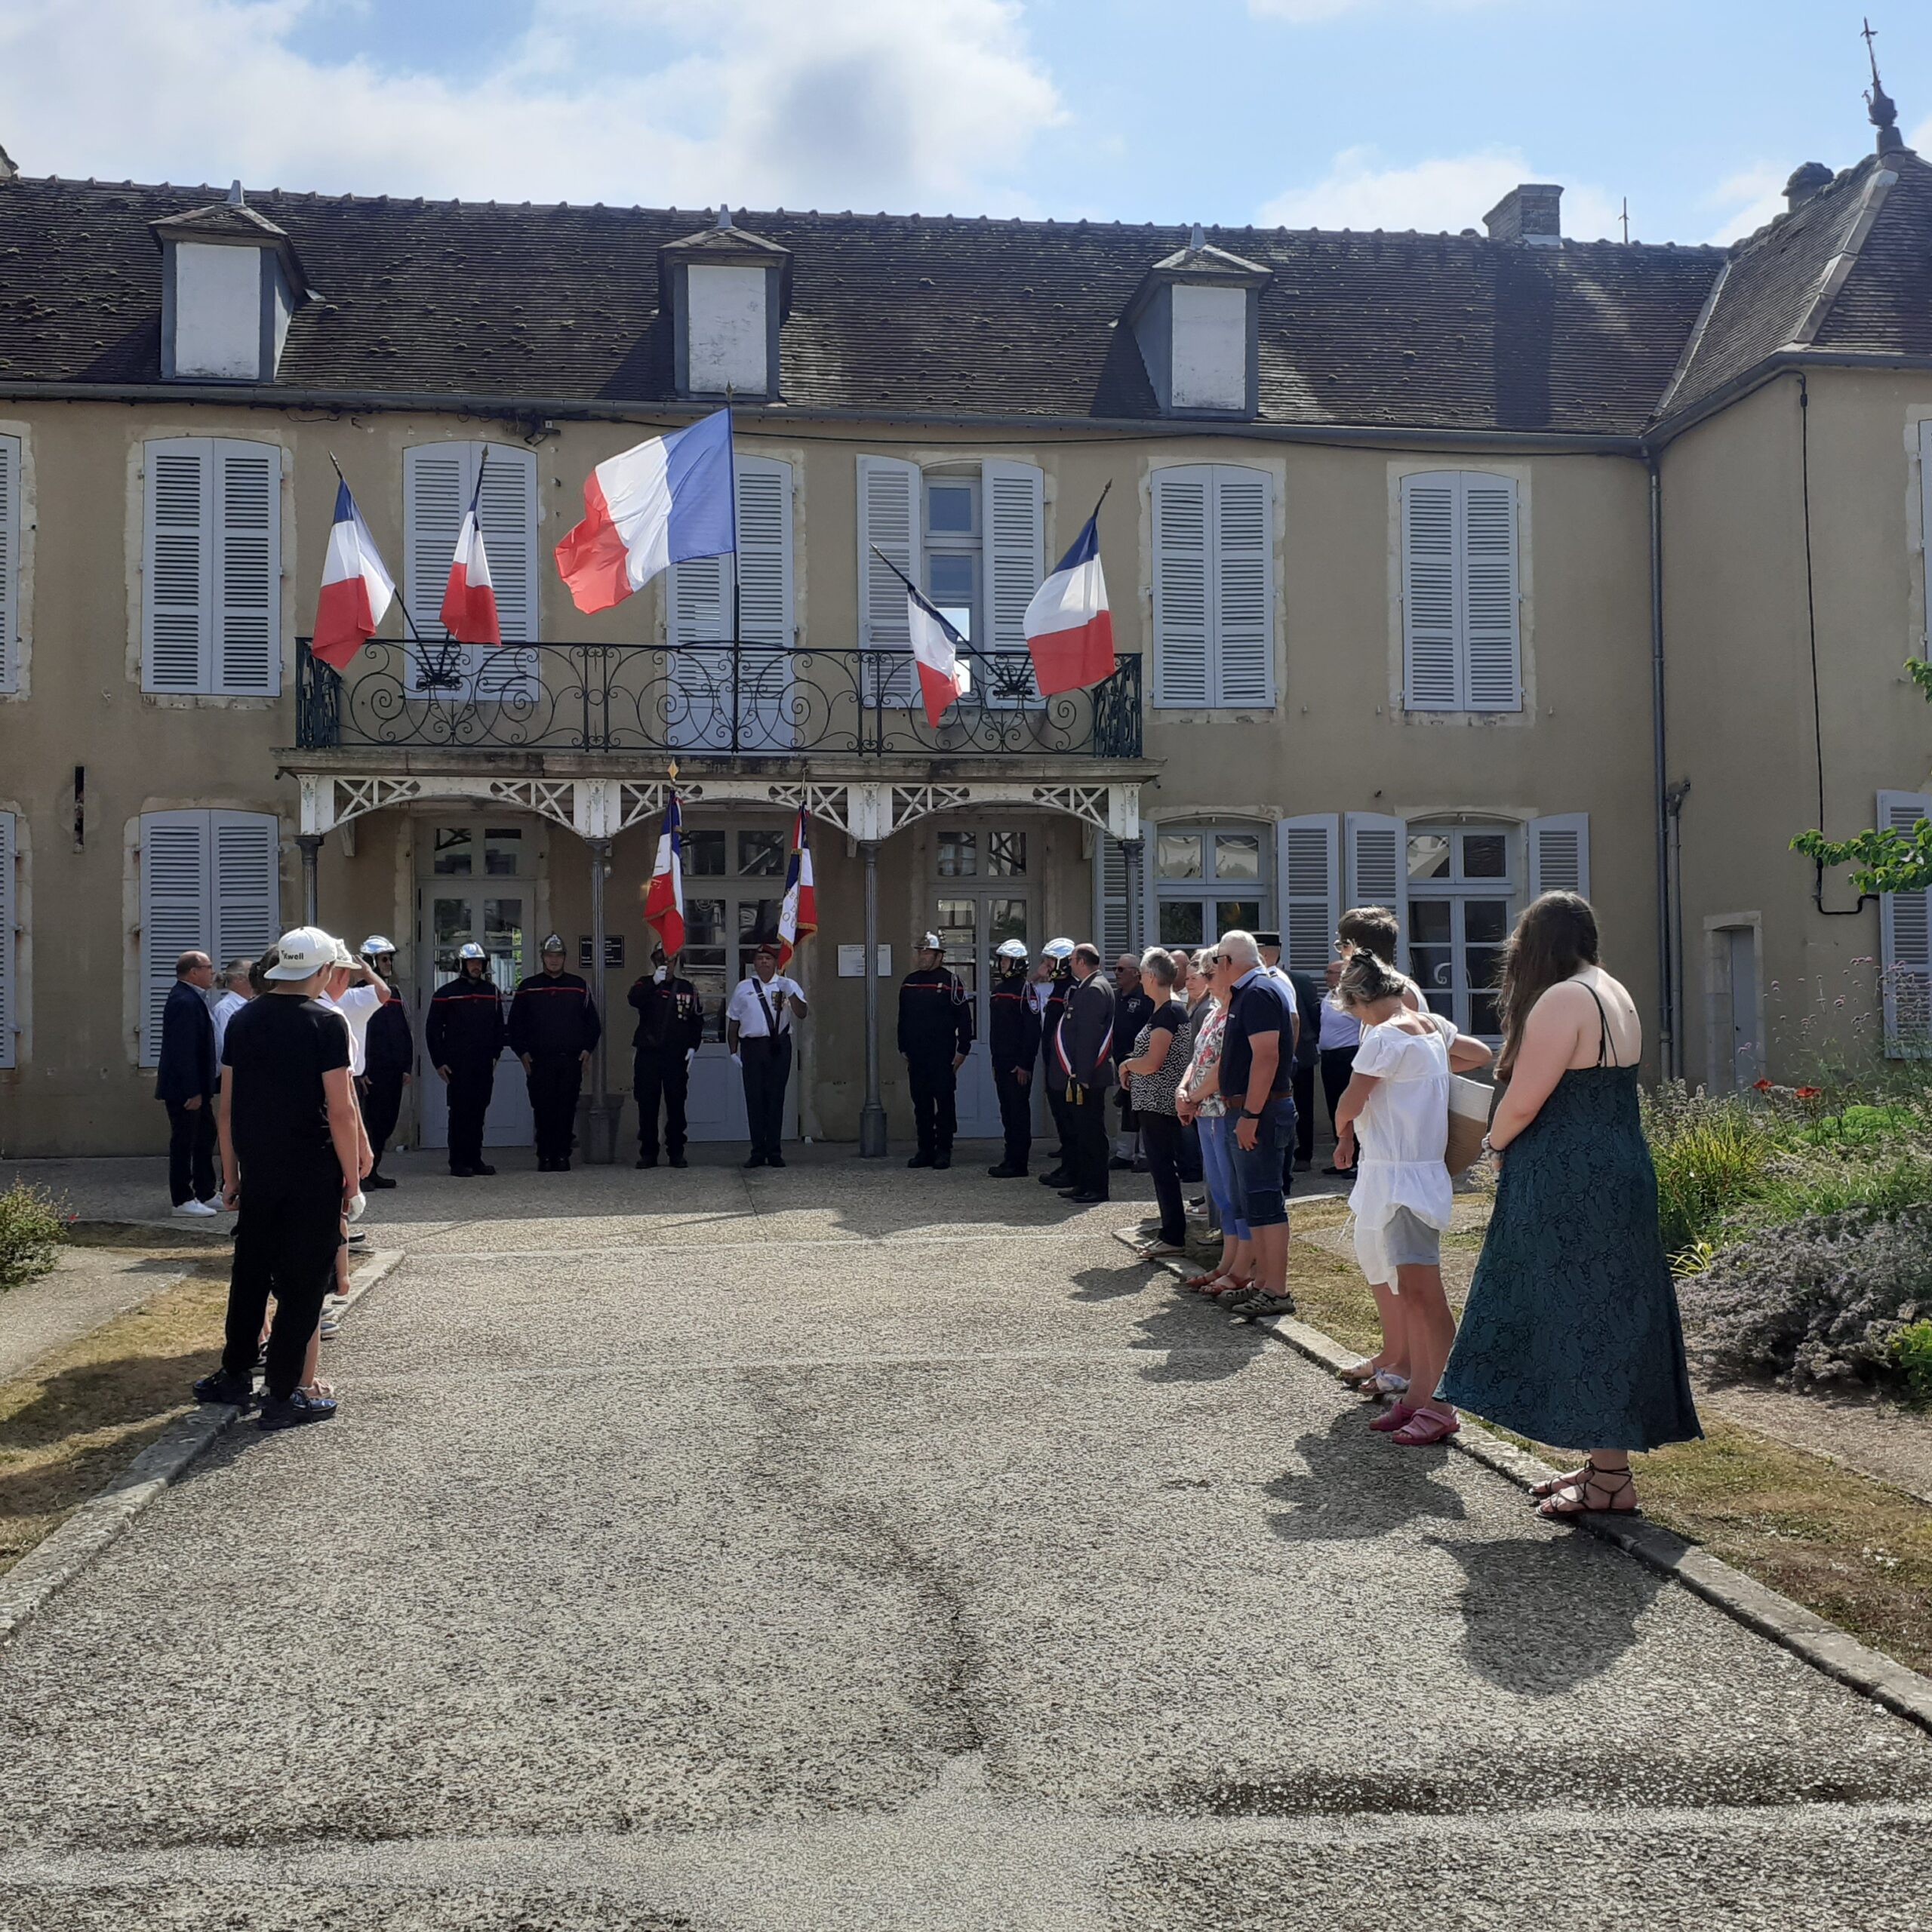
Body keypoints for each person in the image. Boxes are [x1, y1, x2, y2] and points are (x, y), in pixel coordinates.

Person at [1440, 892, 1702, 1517]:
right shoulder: (1612, 989)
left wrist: (1492, 1145)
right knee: (1605, 1310)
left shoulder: (1563, 998)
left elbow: (1524, 1100)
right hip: (1617, 1164)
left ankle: (1610, 1479)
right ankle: (1604, 1468)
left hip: (1569, 1175)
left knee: (1578, 1312)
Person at [191, 925, 364, 1431]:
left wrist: (230, 1175)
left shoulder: (242, 1019)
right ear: (323, 970)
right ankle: (283, 1394)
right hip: (311, 1167)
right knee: (303, 1284)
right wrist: (352, 1181)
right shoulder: (324, 1023)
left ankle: (234, 1373)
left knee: (250, 1273)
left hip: (259, 1166)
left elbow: (227, 1107)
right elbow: (340, 1110)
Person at [1331, 950, 1492, 1446]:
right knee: (1413, 1295)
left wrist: (1342, 1133)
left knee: (1423, 1295)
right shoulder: (1432, 1026)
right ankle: (1420, 1397)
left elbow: (1350, 1101)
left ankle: (1441, 1403)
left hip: (1399, 1176)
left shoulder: (1383, 1037)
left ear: (1359, 1001)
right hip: (1415, 1173)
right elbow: (1477, 1054)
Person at [1217, 931, 1297, 1320]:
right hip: (1250, 1110)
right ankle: (1263, 1282)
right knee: (1254, 1202)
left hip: (1261, 1112)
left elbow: (1266, 1057)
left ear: (1228, 961)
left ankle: (1276, 1289)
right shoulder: (1248, 993)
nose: (1215, 968)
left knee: (1266, 1199)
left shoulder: (1259, 993)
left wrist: (1250, 1115)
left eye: (1217, 961)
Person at [1321, 906, 1421, 1175]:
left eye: (1342, 946)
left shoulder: (1394, 993)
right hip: (1385, 1127)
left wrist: (1344, 1132)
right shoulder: (1385, 989)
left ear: (1354, 948)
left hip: (1398, 1130)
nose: (1341, 954)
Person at [1177, 949, 1253, 1297]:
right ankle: (1227, 1262)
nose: (1206, 982)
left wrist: (1192, 1096)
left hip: (1222, 1110)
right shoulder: (1212, 1015)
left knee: (1234, 1191)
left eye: (1209, 975)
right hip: (1205, 1111)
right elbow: (1197, 1059)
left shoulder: (1234, 1014)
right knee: (1220, 1192)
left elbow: (1224, 1066)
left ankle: (1242, 1266)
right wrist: (1183, 1089)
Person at [1118, 947, 1192, 1257]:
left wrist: (1126, 1065)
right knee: (1160, 1168)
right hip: (1153, 1101)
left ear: (1150, 977)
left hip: (1159, 1102)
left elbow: (1153, 1061)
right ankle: (1169, 1232)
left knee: (1163, 1168)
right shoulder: (1165, 1010)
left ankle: (1173, 1235)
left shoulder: (1169, 1012)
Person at [509, 934, 601, 1173]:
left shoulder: (578, 986)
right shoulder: (528, 987)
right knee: (543, 1109)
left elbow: (593, 1024)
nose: (554, 960)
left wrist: (587, 1049)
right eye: (550, 955)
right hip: (539, 1061)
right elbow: (515, 1025)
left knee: (566, 1109)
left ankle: (562, 1155)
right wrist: (522, 1053)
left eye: (558, 955)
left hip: (570, 1060)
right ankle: (545, 1156)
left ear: (564, 958)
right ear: (543, 958)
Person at [425, 942, 505, 1178]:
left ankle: (475, 1159)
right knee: (460, 1113)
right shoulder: (445, 994)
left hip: (483, 1063)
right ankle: (458, 1161)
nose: (476, 966)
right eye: (471, 962)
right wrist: (439, 1061)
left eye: (479, 962)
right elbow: (433, 1031)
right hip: (457, 1065)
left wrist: (496, 1054)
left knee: (479, 1112)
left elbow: (499, 1027)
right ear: (462, 964)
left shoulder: (492, 992)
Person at [898, 931, 974, 1170]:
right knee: (921, 1104)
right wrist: (903, 1047)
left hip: (942, 1055)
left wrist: (963, 1049)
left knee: (944, 1103)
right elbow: (903, 1018)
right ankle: (925, 1150)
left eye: (927, 952)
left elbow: (964, 1019)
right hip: (917, 1055)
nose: (922, 956)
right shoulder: (909, 982)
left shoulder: (951, 982)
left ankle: (944, 1150)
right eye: (920, 952)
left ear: (939, 956)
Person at [727, 942, 807, 1168]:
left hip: (778, 1046)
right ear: (754, 963)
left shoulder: (787, 984)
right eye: (760, 958)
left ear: (775, 963)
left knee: (775, 1099)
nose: (764, 962)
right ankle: (757, 1151)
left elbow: (802, 1013)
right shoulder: (743, 987)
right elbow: (733, 1021)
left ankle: (774, 1151)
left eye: (768, 958)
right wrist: (733, 1051)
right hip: (752, 1046)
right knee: (755, 1100)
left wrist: (790, 992)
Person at [629, 943, 704, 1169]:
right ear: (654, 961)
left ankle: (676, 1151)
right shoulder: (644, 983)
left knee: (676, 1105)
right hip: (649, 1054)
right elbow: (634, 999)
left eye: (670, 960)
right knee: (647, 1105)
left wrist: (693, 1047)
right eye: (661, 959)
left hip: (675, 1055)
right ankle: (648, 1153)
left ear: (676, 962)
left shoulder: (686, 988)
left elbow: (696, 1020)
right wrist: (654, 982)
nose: (666, 964)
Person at [155, 949, 219, 1217]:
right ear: (194, 972)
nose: (212, 973)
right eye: (208, 968)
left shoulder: (194, 998)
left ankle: (206, 1192)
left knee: (205, 1136)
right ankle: (182, 1199)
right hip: (184, 1090)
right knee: (184, 1142)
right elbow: (183, 1050)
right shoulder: (184, 1000)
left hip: (199, 1087)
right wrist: (192, 1091)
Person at [1256, 932, 1324, 1174]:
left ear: (1265, 954)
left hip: (1297, 1053)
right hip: (1289, 1053)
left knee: (1301, 1106)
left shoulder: (1291, 980)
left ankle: (1303, 1154)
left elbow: (1308, 1016)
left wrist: (1296, 1051)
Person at [1054, 943, 1115, 1204]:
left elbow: (1089, 1037)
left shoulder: (1094, 989)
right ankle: (1084, 1182)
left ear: (1081, 961)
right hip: (1082, 1073)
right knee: (1082, 1131)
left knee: (1091, 1132)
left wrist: (1083, 1076)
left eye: (1071, 959)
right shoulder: (1088, 986)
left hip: (1088, 1075)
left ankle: (1097, 1186)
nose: (1069, 964)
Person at [986, 938, 1040, 1178]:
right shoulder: (998, 991)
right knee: (1007, 1112)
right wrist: (995, 1062)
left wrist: (1025, 1064)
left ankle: (1019, 1163)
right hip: (1002, 1062)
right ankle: (1009, 1158)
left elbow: (1032, 1031)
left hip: (1018, 1064)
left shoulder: (1026, 990)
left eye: (1006, 960)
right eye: (1001, 960)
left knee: (1018, 1112)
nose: (1002, 964)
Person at [359, 937, 411, 1189]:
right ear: (371, 962)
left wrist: (407, 1066)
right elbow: (357, 1035)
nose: (389, 963)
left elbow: (404, 1031)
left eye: (390, 959)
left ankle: (375, 1169)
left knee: (386, 1122)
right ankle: (362, 1174)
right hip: (371, 1072)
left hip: (393, 1071)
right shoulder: (358, 993)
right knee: (369, 1123)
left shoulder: (395, 994)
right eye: (384, 959)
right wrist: (362, 1070)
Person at [1033, 939, 1076, 1188]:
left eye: (1050, 961)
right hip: (1052, 1062)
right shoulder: (1056, 988)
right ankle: (1067, 1164)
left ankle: (1073, 1169)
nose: (1046, 966)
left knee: (1070, 1119)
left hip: (1065, 1065)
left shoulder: (1071, 990)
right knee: (1061, 1117)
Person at [1111, 952, 1153, 1171]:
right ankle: (1124, 1153)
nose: (1116, 973)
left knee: (1143, 1109)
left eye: (1121, 969)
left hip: (1141, 1061)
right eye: (1115, 969)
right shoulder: (1115, 997)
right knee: (1123, 1108)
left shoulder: (1146, 998)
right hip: (1119, 1062)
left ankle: (1145, 1154)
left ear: (1136, 973)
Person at [209, 958, 255, 1066]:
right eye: (252, 973)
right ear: (239, 979)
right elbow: (226, 1046)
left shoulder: (253, 1004)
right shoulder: (225, 1009)